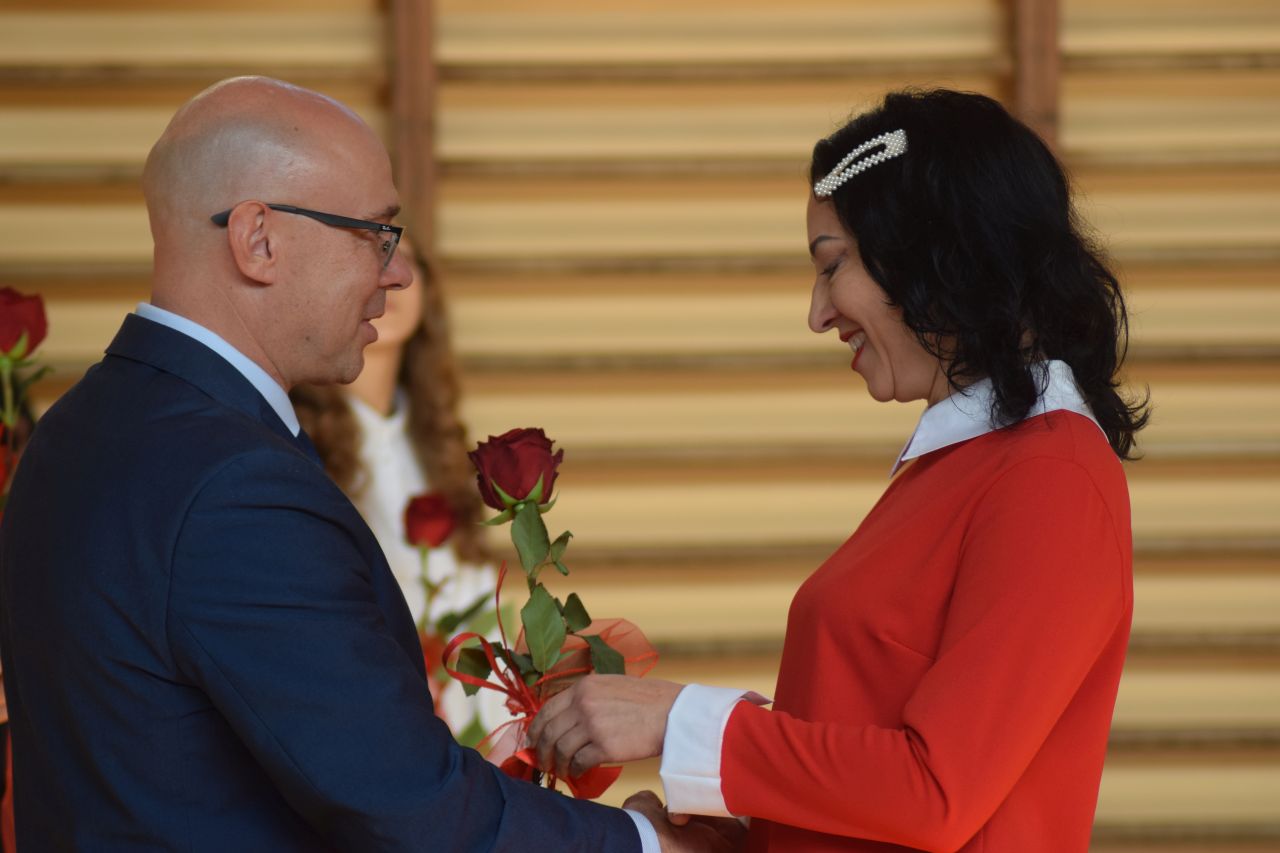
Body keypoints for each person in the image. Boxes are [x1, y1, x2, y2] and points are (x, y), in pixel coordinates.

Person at [0, 76, 723, 852]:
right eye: (374, 234)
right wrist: (644, 842)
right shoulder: (235, 484)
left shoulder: (76, 430)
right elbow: (407, 805)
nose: (399, 272)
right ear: (258, 240)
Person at [529, 88, 1149, 852]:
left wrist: (680, 719)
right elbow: (876, 785)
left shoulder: (1054, 477)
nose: (818, 313)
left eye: (833, 265)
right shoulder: (959, 468)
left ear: (932, 253)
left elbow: (937, 791)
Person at [290, 242, 504, 737]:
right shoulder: (295, 448)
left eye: (400, 256)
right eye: (366, 255)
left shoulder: (442, 447)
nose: (386, 276)